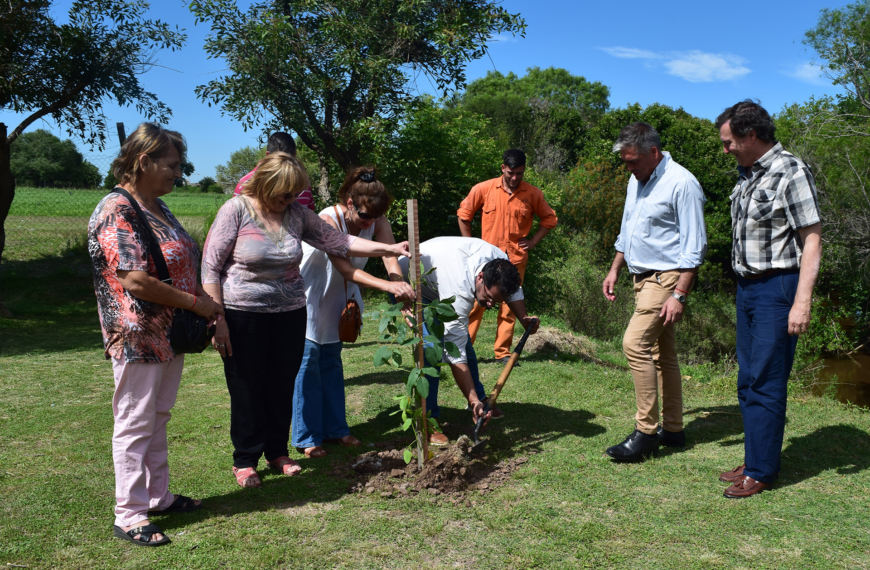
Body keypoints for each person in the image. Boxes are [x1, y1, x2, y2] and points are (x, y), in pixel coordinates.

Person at [201, 152, 409, 489]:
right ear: (267, 184)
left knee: (281, 384)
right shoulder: (236, 210)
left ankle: (278, 452)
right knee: (247, 387)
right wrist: (217, 318)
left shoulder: (297, 213)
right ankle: (245, 459)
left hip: (291, 313)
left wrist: (389, 249)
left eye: (295, 194)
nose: (290, 200)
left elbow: (339, 241)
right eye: (285, 193)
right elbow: (210, 266)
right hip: (244, 314)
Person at [89, 123, 224, 547]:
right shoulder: (117, 209)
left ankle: (157, 496)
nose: (178, 174)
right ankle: (129, 514)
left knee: (158, 418)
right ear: (143, 161)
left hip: (166, 336)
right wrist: (196, 304)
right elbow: (135, 280)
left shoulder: (157, 206)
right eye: (172, 165)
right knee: (134, 423)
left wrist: (201, 301)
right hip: (137, 336)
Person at [715, 101, 822, 499]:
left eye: (729, 143)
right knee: (747, 378)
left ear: (751, 135)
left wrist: (802, 301)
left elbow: (811, 238)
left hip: (779, 288)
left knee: (767, 379)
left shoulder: (789, 170)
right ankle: (754, 456)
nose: (725, 150)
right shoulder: (747, 174)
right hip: (748, 288)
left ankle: (761, 470)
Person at [601, 122, 707, 463]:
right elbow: (628, 227)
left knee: (634, 344)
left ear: (653, 153)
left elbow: (695, 245)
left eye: (632, 161)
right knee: (663, 354)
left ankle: (646, 432)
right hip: (641, 277)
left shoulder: (682, 183)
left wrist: (679, 294)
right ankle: (673, 430)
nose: (628, 168)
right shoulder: (638, 179)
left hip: (666, 279)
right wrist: (616, 267)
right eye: (625, 161)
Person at [293, 166, 415, 458]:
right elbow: (346, 269)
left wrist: (401, 294)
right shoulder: (327, 219)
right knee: (308, 366)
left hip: (340, 301)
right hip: (312, 297)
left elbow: (390, 258)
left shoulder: (376, 218)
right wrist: (388, 287)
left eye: (374, 217)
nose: (369, 222)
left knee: (332, 364)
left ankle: (336, 429)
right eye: (364, 216)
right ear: (350, 203)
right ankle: (307, 437)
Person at [398, 237, 540, 445]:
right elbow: (456, 356)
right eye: (489, 297)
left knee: (463, 342)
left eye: (496, 300)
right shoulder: (460, 288)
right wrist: (472, 400)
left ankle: (481, 402)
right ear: (480, 277)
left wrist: (523, 318)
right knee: (431, 350)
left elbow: (513, 290)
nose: (490, 305)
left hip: (440, 278)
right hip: (410, 279)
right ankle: (428, 420)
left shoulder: (502, 265)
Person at [458, 149, 558, 372]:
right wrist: (470, 245)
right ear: (503, 168)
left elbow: (550, 219)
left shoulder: (532, 194)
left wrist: (532, 242)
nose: (515, 178)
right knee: (475, 305)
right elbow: (463, 214)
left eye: (519, 173)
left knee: (509, 308)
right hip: (484, 260)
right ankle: (465, 348)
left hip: (515, 260)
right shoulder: (483, 188)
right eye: (511, 172)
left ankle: (502, 352)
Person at [233, 132, 316, 211]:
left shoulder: (303, 184)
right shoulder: (245, 184)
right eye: (281, 161)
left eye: (291, 160)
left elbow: (310, 216)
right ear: (268, 155)